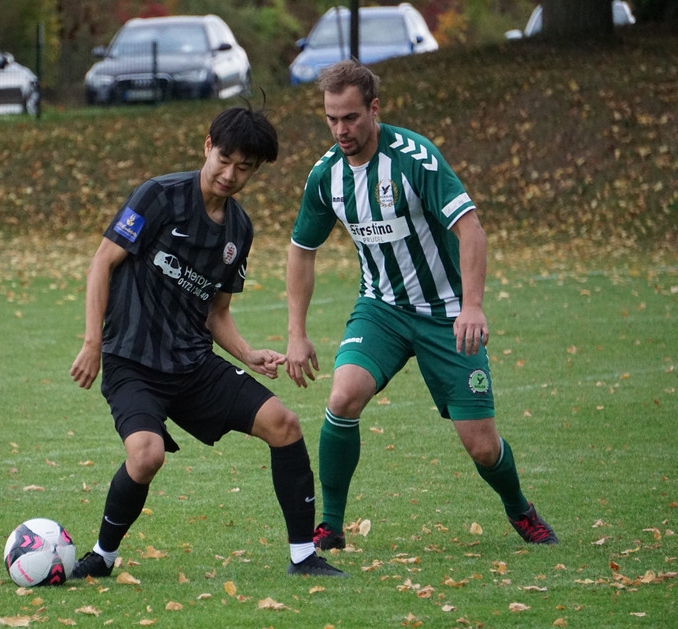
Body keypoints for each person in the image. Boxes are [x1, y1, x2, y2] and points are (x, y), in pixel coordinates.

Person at [285, 61, 557, 550]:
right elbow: (302, 250)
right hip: (382, 309)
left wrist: (472, 306)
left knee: (482, 445)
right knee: (342, 398)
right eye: (331, 119)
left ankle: (520, 509)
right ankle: (331, 526)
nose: (341, 130)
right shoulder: (327, 176)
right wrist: (296, 333)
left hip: (448, 312)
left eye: (351, 117)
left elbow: (470, 228)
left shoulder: (415, 158)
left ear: (374, 109)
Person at [69, 106, 347, 580]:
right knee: (147, 455)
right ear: (207, 146)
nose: (230, 174)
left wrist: (249, 354)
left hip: (193, 365)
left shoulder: (239, 230)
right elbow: (102, 263)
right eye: (224, 159)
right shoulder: (159, 196)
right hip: (132, 361)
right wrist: (93, 341)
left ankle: (304, 557)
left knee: (284, 424)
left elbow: (217, 312)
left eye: (245, 167)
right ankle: (102, 556)